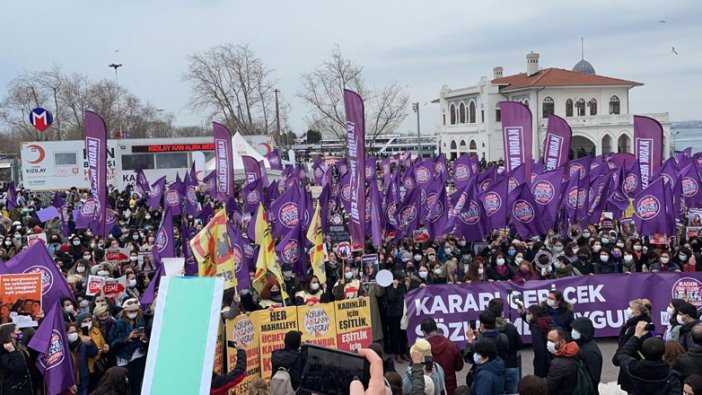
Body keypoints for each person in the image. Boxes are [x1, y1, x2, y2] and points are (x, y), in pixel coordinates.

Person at [613, 320, 682, 394]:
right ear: (663, 353)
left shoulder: (633, 367)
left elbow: (622, 354)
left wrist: (636, 336)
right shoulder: (671, 375)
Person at [107, 298, 148, 395]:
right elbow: (112, 343)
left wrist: (144, 338)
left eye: (135, 311)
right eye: (131, 311)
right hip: (124, 358)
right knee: (126, 385)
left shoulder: (141, 320)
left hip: (139, 355)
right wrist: (127, 338)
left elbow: (146, 339)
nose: (133, 313)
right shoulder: (118, 323)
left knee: (137, 383)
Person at [421, 318, 464, 395]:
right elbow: (459, 367)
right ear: (437, 329)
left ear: (424, 332)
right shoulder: (452, 346)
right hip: (451, 387)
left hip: (433, 388)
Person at [486, 299, 521, 394]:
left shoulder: (486, 330)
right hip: (511, 365)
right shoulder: (511, 328)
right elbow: (519, 345)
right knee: (513, 392)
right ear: (502, 312)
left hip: (493, 368)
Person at [66, 322, 100, 395]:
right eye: (71, 332)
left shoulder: (81, 342)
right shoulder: (63, 346)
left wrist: (90, 343)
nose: (74, 334)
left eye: (75, 331)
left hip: (83, 379)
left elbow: (93, 353)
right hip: (70, 383)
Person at [571, 317, 602, 393]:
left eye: (576, 330)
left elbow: (593, 378)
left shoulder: (590, 352)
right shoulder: (582, 344)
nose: (573, 331)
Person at [0, 323, 33, 395]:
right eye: (18, 330)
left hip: (25, 387)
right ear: (12, 334)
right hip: (13, 389)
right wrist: (13, 352)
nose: (20, 332)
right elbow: (19, 366)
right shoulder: (3, 352)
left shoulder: (20, 346)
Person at [546, 327, 580, 395]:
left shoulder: (558, 365)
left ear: (562, 342)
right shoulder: (575, 351)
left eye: (552, 341)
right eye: (548, 340)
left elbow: (550, 388)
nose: (548, 343)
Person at [524, 304, 552, 378]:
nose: (528, 315)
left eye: (529, 313)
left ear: (534, 314)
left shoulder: (536, 327)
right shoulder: (547, 322)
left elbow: (539, 350)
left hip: (543, 364)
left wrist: (539, 370)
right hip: (551, 358)